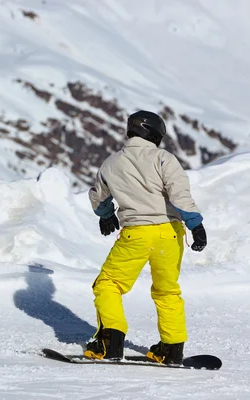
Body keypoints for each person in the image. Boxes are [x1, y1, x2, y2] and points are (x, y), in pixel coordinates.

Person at [84, 110, 207, 365]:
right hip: (169, 234)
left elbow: (99, 197)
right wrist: (195, 224)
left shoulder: (111, 163)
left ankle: (110, 343)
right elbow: (179, 193)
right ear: (155, 134)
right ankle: (171, 350)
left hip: (136, 233)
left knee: (108, 284)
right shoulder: (164, 158)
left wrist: (106, 215)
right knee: (167, 292)